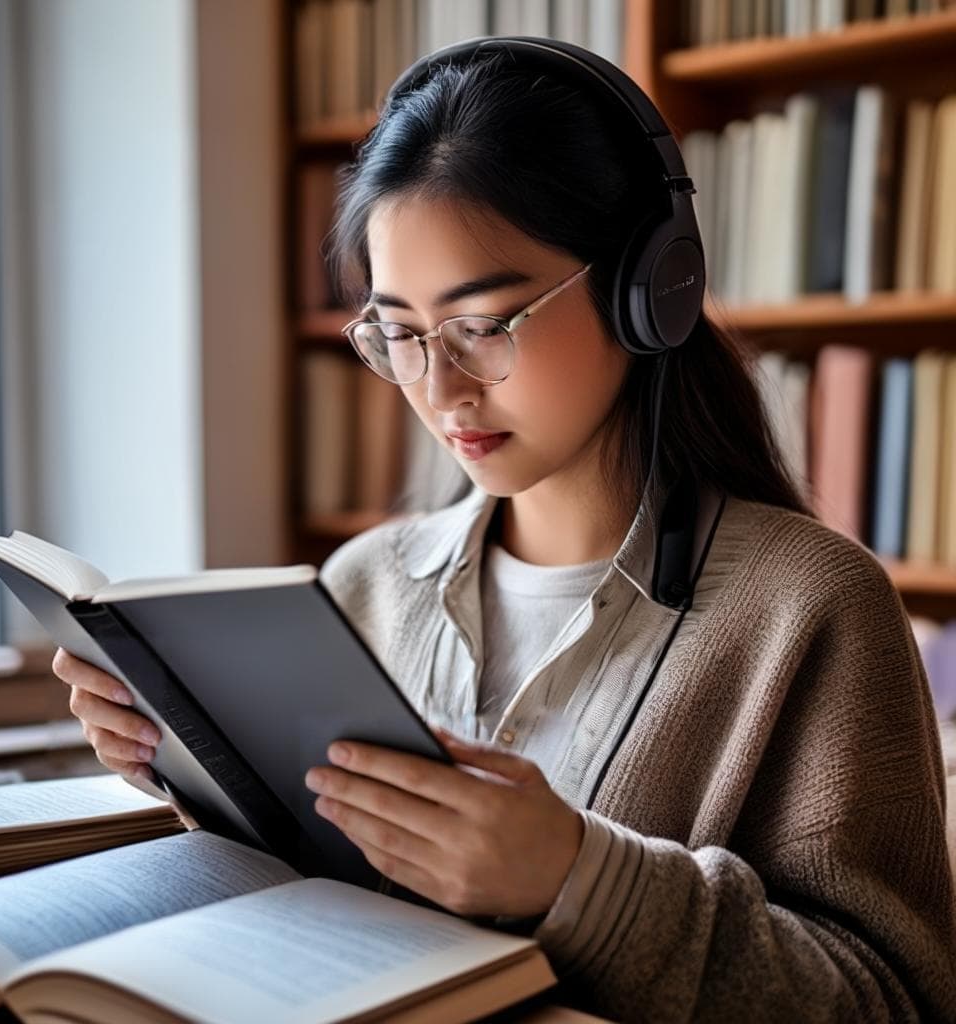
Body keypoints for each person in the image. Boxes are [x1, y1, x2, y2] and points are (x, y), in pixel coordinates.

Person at [52, 40, 956, 1022]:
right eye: (398, 333)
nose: (437, 390)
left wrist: (579, 879)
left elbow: (898, 999)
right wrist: (189, 763)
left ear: (647, 290)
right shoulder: (362, 584)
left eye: (483, 323)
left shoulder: (810, 608)